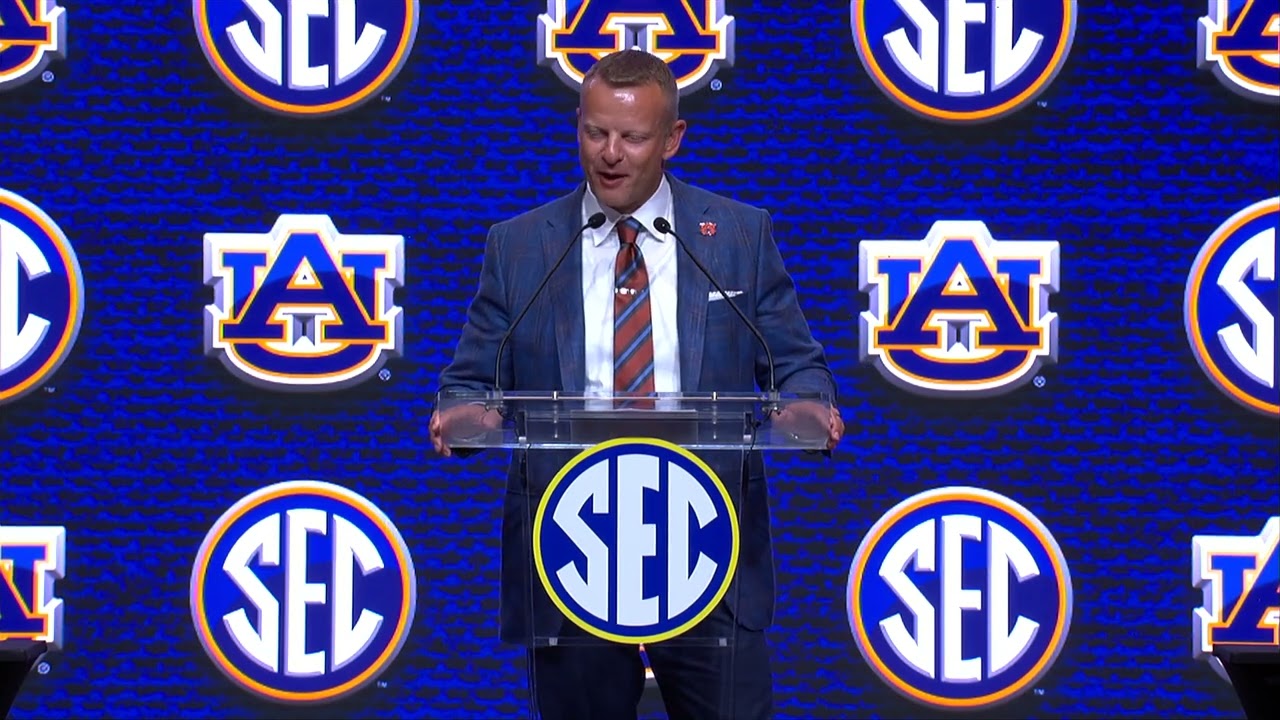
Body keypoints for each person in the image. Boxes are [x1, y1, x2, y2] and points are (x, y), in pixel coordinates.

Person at [430, 49, 842, 720]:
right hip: (571, 551)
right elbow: (470, 380)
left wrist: (808, 406)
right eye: (595, 132)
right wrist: (462, 415)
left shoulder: (737, 235)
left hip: (709, 548)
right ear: (577, 126)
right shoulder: (521, 246)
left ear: (673, 139)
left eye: (633, 136)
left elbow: (797, 364)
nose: (610, 153)